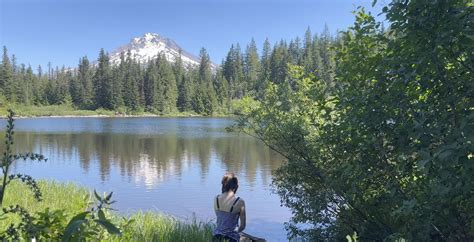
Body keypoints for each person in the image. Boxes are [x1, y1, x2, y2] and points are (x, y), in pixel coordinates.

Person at [213, 172, 246, 242]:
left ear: (223, 185)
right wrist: (236, 231)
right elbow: (243, 226)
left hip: (216, 237)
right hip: (231, 238)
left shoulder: (216, 198)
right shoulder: (240, 201)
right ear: (235, 186)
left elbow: (221, 220)